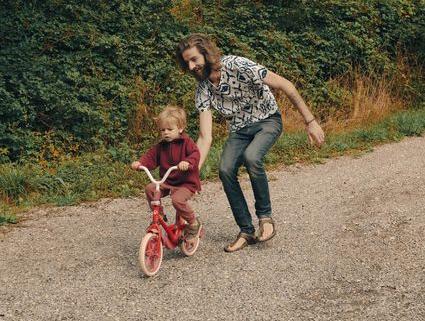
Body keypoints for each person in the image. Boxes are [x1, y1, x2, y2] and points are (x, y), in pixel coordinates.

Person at [176, 33, 325, 252]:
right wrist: (193, 169)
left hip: (267, 120)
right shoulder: (203, 89)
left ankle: (265, 220)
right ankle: (246, 230)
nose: (190, 66)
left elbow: (286, 85)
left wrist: (310, 121)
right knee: (225, 169)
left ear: (206, 54)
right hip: (239, 130)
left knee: (252, 157)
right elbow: (205, 136)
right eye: (186, 62)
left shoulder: (237, 64)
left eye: (194, 59)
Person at [131, 106, 202, 242]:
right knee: (150, 189)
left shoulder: (186, 143)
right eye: (163, 130)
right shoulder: (161, 146)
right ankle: (159, 216)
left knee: (177, 200)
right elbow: (150, 157)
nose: (166, 133)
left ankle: (193, 223)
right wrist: (140, 163)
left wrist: (187, 162)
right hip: (168, 181)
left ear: (180, 128)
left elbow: (195, 154)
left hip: (186, 183)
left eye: (170, 129)